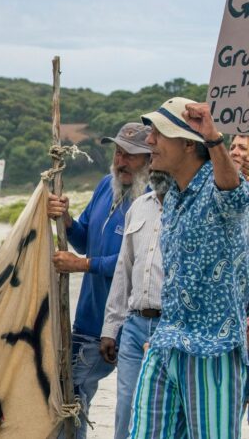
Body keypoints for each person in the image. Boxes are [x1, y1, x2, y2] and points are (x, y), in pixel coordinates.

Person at [129, 98, 249, 438]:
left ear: (187, 143)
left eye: (159, 133)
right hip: (167, 342)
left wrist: (213, 137)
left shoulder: (220, 187)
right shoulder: (174, 196)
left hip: (214, 349)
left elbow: (234, 192)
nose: (149, 141)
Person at [47, 122, 151, 439]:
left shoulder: (152, 200)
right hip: (90, 318)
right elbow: (84, 238)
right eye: (119, 152)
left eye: (131, 155)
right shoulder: (107, 185)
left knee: (124, 402)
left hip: (132, 323)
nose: (121, 161)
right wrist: (65, 219)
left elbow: (132, 263)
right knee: (71, 394)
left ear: (150, 159)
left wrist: (82, 265)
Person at [99, 170, 173, 439]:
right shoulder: (139, 207)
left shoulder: (191, 207)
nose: (154, 167)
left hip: (171, 327)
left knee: (165, 411)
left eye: (160, 157)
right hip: (134, 325)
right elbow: (124, 267)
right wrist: (110, 328)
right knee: (126, 407)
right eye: (151, 159)